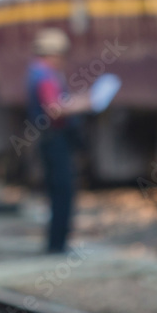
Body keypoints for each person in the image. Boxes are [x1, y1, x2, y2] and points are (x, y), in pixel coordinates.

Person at [26, 28, 90, 254]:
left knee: (57, 192)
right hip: (56, 141)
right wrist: (83, 105)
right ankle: (57, 245)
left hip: (49, 139)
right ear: (52, 54)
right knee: (62, 192)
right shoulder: (45, 76)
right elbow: (54, 109)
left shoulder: (37, 72)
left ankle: (56, 243)